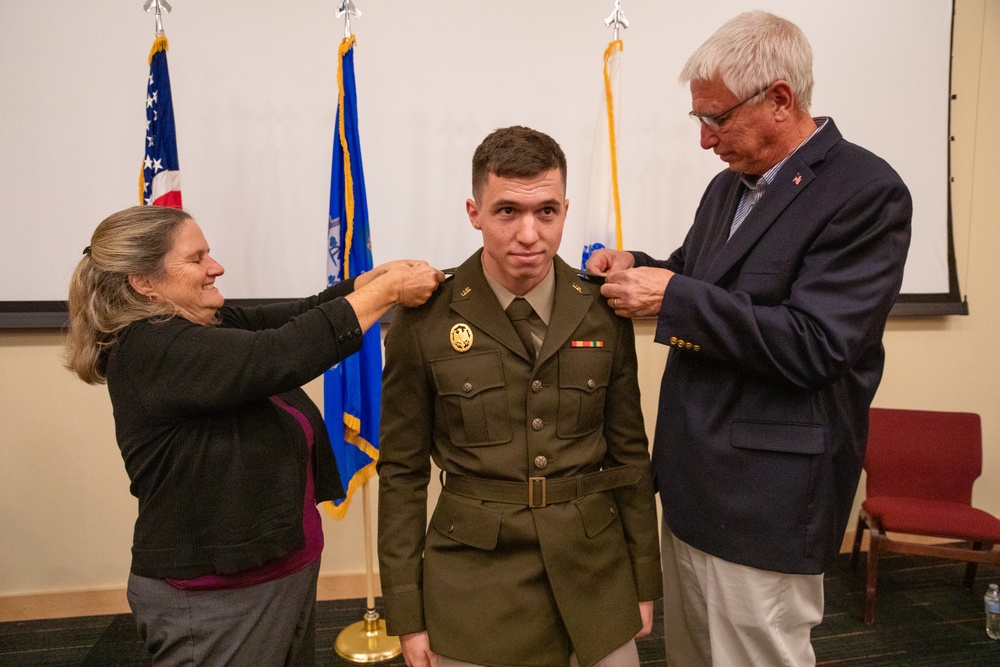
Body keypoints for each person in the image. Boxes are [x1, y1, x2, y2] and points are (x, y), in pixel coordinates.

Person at [586, 11, 912, 667]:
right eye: (698, 121)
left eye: (718, 119)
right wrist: (638, 264)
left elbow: (815, 343)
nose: (705, 140)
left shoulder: (865, 192)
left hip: (765, 502)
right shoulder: (726, 188)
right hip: (690, 486)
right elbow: (704, 277)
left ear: (781, 100)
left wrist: (673, 296)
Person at [64, 204, 444, 666]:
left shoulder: (200, 324)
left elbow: (295, 318)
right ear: (142, 281)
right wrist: (387, 293)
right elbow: (281, 352)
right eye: (196, 258)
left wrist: (363, 284)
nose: (215, 267)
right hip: (214, 600)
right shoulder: (150, 347)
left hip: (277, 573)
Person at [377, 126, 662, 667]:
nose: (530, 233)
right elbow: (402, 472)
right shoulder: (426, 318)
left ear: (565, 210)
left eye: (547, 212)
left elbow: (629, 456)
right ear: (474, 211)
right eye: (508, 210)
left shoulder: (603, 310)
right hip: (474, 585)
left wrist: (643, 578)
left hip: (594, 577)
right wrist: (406, 612)